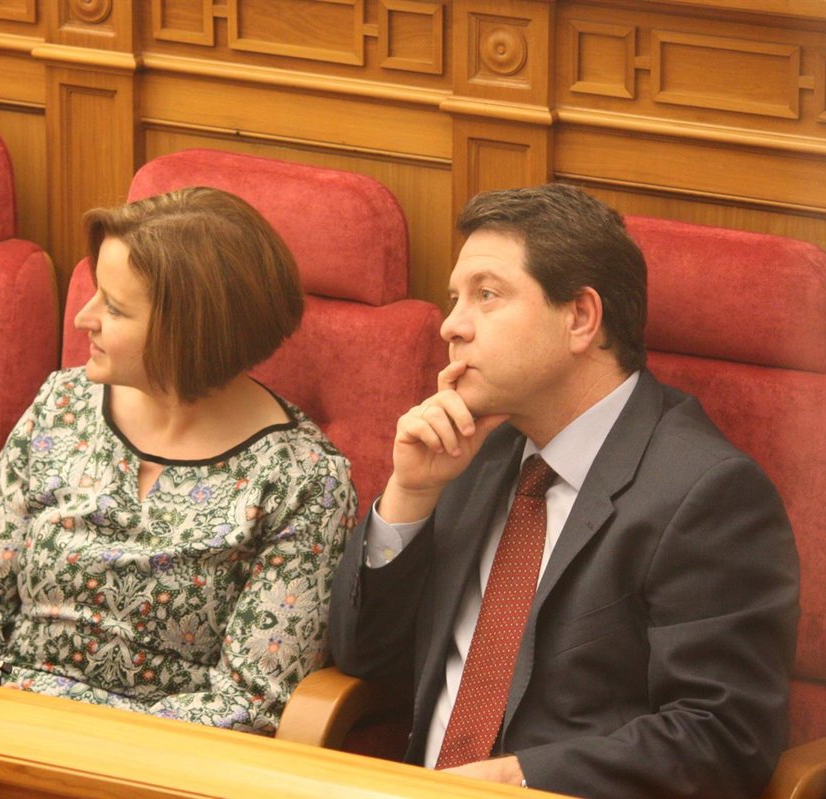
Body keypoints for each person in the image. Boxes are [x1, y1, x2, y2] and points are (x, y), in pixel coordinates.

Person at [328, 183, 799, 799]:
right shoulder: (470, 453)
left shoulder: (707, 493)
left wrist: (515, 778)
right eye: (454, 299)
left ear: (580, 317)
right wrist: (410, 496)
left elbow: (723, 737)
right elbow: (363, 659)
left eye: (486, 295)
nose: (451, 326)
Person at [0, 187, 357, 734]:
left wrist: (63, 727)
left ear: (190, 332)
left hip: (155, 759)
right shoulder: (62, 403)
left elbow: (251, 704)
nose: (84, 318)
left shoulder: (304, 479)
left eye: (114, 308)